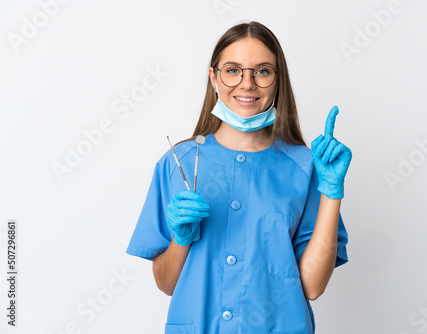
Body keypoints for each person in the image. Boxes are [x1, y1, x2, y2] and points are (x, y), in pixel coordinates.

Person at [126, 21, 352, 334]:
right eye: (233, 70)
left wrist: (331, 191)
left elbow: (312, 287)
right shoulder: (177, 164)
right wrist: (181, 239)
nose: (247, 84)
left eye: (262, 71)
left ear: (277, 81)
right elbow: (167, 284)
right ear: (213, 78)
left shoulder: (305, 166)